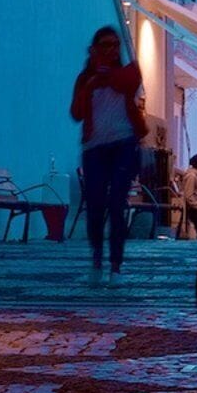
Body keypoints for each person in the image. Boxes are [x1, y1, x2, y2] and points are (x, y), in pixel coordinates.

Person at [69, 26, 147, 275]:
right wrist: (91, 82)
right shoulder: (85, 79)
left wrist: (105, 73)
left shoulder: (128, 71)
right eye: (106, 45)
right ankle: (96, 253)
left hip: (124, 142)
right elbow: (76, 113)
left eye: (115, 45)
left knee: (116, 203)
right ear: (95, 48)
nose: (112, 50)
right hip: (95, 147)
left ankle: (115, 261)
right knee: (95, 203)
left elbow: (128, 83)